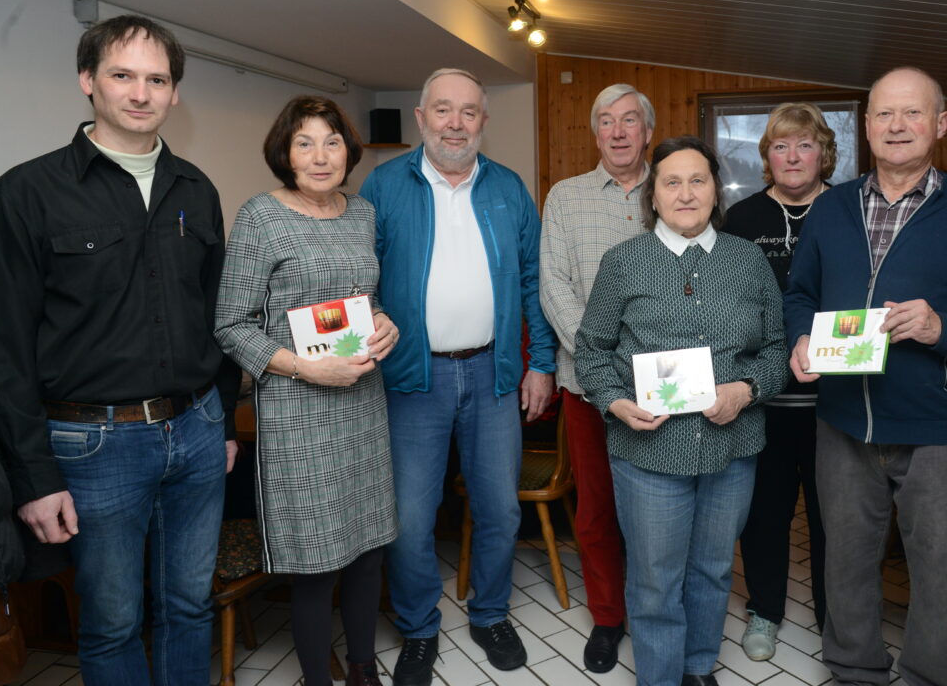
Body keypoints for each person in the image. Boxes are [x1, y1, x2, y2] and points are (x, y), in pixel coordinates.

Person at [0, 15, 239, 686]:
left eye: (157, 79)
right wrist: (33, 477)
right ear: (87, 82)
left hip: (196, 434)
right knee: (111, 622)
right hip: (91, 445)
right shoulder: (27, 193)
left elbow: (216, 316)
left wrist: (220, 417)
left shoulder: (196, 188)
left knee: (189, 606)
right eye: (122, 75)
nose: (141, 93)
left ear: (174, 93)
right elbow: (4, 346)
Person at [786, 67, 947, 686]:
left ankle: (935, 678)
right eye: (883, 115)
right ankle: (853, 671)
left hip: (940, 432)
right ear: (865, 127)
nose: (897, 126)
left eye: (913, 113)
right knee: (845, 564)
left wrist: (942, 329)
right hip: (844, 422)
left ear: (941, 124)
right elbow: (799, 293)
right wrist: (799, 336)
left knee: (941, 572)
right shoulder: (831, 209)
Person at [359, 68, 557, 686]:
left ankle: (491, 613)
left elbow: (533, 282)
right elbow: (358, 277)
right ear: (420, 117)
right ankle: (419, 628)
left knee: (499, 510)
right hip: (411, 380)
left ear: (483, 123)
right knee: (412, 519)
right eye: (442, 110)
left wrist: (541, 363)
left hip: (494, 374)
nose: (455, 123)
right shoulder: (384, 185)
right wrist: (378, 316)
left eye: (468, 112)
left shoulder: (508, 188)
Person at [575, 136, 789, 686]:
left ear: (715, 189)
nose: (686, 192)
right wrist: (614, 402)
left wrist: (745, 389)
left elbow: (774, 351)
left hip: (731, 448)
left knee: (714, 569)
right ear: (654, 195)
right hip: (648, 451)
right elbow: (592, 349)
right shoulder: (623, 262)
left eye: (698, 180)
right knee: (654, 579)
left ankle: (697, 668)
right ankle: (662, 677)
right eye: (672, 181)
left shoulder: (747, 261)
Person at [214, 96, 399, 686]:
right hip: (297, 409)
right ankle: (319, 676)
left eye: (332, 142)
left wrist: (384, 321)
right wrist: (303, 369)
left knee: (370, 548)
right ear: (284, 153)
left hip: (364, 402)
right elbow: (230, 324)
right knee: (316, 559)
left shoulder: (362, 214)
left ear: (349, 151)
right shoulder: (260, 217)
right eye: (305, 143)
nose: (320, 157)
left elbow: (362, 301)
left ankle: (364, 669)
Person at [538, 83, 654, 672]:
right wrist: (605, 362)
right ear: (595, 132)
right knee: (597, 509)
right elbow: (553, 287)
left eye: (628, 120)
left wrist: (646, 364)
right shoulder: (566, 197)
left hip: (663, 388)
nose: (617, 131)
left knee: (660, 509)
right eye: (605, 120)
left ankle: (655, 611)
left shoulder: (676, 189)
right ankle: (608, 617)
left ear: (647, 131)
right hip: (587, 386)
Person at [721, 102, 833, 659]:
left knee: (831, 515)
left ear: (823, 153)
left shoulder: (847, 209)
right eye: (781, 146)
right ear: (767, 156)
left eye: (804, 145)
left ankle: (835, 615)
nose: (793, 156)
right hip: (761, 399)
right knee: (763, 514)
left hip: (833, 400)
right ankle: (764, 611)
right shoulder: (740, 220)